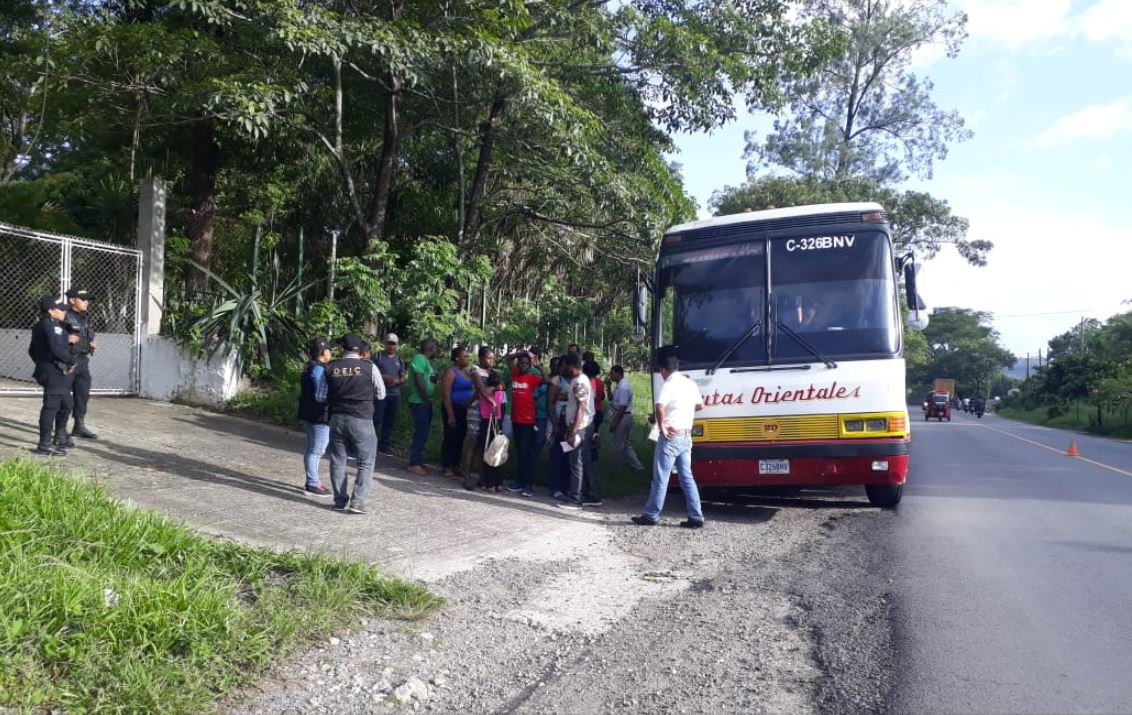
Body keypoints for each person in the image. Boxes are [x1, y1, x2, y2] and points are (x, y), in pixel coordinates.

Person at [633, 355, 706, 528]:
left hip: (671, 438)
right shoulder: (690, 383)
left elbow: (660, 406)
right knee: (687, 477)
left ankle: (651, 515)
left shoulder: (668, 384)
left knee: (661, 478)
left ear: (664, 370)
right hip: (686, 436)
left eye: (661, 371)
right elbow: (701, 405)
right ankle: (696, 517)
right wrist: (684, 411)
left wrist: (663, 426)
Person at [326, 333, 385, 514]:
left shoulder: (331, 367)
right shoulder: (369, 367)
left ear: (342, 349)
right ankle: (357, 502)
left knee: (338, 460)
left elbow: (320, 396)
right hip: (362, 419)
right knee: (365, 462)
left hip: (337, 419)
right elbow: (381, 393)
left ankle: (339, 500)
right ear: (359, 349)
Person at [28, 296, 77, 455]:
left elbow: (32, 351)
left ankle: (60, 437)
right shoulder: (51, 326)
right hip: (53, 371)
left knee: (66, 403)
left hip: (51, 370)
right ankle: (44, 444)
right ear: (50, 311)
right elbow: (57, 349)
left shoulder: (43, 325)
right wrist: (70, 361)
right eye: (60, 309)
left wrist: (41, 363)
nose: (64, 311)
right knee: (51, 407)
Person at [556, 353, 598, 510]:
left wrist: (573, 431)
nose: (562, 369)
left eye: (564, 366)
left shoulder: (579, 382)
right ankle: (593, 495)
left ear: (570, 366)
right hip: (584, 425)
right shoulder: (581, 379)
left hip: (581, 427)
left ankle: (575, 499)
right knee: (584, 462)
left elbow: (581, 407)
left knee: (576, 463)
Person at [504, 348, 545, 497]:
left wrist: (537, 364)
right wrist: (522, 353)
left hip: (528, 421)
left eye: (526, 364)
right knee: (520, 452)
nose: (523, 365)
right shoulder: (514, 374)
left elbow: (546, 380)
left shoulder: (532, 377)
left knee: (526, 453)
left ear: (530, 366)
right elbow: (508, 359)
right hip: (516, 420)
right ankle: (520, 481)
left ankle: (528, 485)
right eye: (521, 363)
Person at [297, 338, 332, 496]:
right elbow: (320, 391)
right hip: (318, 415)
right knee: (317, 450)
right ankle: (312, 483)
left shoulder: (308, 366)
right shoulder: (318, 369)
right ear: (323, 352)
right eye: (329, 350)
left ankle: (313, 480)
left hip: (308, 412)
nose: (330, 353)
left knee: (311, 448)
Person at [64, 287, 98, 439]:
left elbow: (88, 335)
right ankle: (60, 428)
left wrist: (92, 342)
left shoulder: (85, 318)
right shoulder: (63, 316)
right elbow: (52, 336)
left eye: (88, 300)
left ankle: (79, 426)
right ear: (72, 300)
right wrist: (66, 339)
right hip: (68, 360)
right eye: (83, 299)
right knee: (63, 395)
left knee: (82, 394)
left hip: (83, 360)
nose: (87, 302)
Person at [406, 338, 439, 476]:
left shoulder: (427, 362)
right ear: (431, 348)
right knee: (421, 432)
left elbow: (427, 379)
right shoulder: (419, 358)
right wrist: (425, 399)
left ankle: (417, 460)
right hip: (419, 402)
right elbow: (418, 379)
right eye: (436, 348)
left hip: (425, 401)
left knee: (423, 432)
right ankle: (413, 463)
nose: (437, 351)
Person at [441, 346, 474, 479]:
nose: (468, 359)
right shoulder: (450, 372)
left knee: (460, 437)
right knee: (450, 437)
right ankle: (447, 466)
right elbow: (446, 394)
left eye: (468, 356)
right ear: (457, 358)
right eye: (465, 356)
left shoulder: (466, 372)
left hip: (464, 408)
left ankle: (455, 464)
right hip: (452, 407)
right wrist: (450, 414)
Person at [372, 333, 407, 457]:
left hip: (394, 394)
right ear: (385, 344)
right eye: (389, 344)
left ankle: (384, 445)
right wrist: (383, 377)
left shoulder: (400, 360)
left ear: (397, 345)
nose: (391, 346)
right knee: (376, 419)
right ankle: (372, 443)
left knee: (389, 421)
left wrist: (398, 381)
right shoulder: (377, 357)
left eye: (393, 344)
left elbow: (403, 376)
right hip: (379, 394)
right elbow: (370, 371)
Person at [606, 365, 644, 472]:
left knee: (617, 444)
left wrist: (614, 422)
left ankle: (614, 468)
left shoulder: (623, 387)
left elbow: (622, 407)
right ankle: (638, 467)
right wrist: (608, 387)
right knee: (626, 444)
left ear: (618, 373)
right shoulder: (619, 385)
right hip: (622, 415)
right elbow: (611, 398)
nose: (610, 376)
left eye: (612, 373)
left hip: (623, 416)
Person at [476, 370, 507, 491]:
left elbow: (484, 392)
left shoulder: (484, 392)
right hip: (498, 423)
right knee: (498, 453)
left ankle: (490, 484)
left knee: (488, 453)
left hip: (486, 422)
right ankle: (498, 483)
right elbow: (503, 410)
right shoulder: (502, 393)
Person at [546, 355, 570, 500]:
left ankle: (565, 486)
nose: (564, 369)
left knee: (568, 456)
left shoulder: (574, 380)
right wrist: (555, 424)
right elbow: (550, 403)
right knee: (557, 455)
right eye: (562, 366)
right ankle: (555, 487)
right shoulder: (556, 381)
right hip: (559, 421)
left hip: (571, 422)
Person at [583, 359, 604, 462]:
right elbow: (602, 396)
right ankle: (593, 456)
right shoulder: (600, 382)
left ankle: (590, 458)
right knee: (593, 433)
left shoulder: (589, 382)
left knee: (587, 438)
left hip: (590, 413)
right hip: (598, 411)